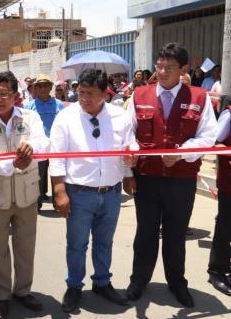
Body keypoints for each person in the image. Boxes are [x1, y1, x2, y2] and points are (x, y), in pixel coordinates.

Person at [123, 43, 217, 308]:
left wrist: (182, 152)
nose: (162, 72)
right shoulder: (140, 94)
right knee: (146, 233)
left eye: (169, 68)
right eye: (159, 66)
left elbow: (207, 136)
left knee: (175, 234)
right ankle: (138, 280)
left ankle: (177, 283)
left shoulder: (200, 97)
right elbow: (128, 132)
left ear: (183, 69)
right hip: (147, 177)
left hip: (181, 180)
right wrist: (130, 154)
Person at [50, 69, 134, 313]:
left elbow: (126, 149)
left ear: (105, 94)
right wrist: (59, 191)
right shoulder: (65, 118)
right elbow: (56, 158)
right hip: (79, 193)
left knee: (104, 241)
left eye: (91, 94)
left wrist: (128, 174)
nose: (84, 98)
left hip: (111, 192)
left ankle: (102, 282)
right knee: (76, 243)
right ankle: (74, 286)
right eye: (81, 92)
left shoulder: (120, 117)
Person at [0, 71, 50, 319]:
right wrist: (14, 164)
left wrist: (32, 148)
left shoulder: (30, 117)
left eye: (3, 93)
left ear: (15, 96)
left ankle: (23, 290)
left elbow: (44, 146)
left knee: (26, 245)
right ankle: (2, 296)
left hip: (27, 194)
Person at [24, 73, 64, 209]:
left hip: (56, 146)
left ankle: (57, 203)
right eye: (40, 85)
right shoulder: (29, 106)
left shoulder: (58, 104)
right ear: (35, 88)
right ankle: (37, 203)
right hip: (38, 147)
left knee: (56, 174)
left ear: (51, 87)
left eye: (46, 85)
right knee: (38, 176)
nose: (43, 88)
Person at [207, 106, 231, 296]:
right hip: (230, 182)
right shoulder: (229, 114)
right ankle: (217, 271)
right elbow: (213, 142)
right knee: (225, 226)